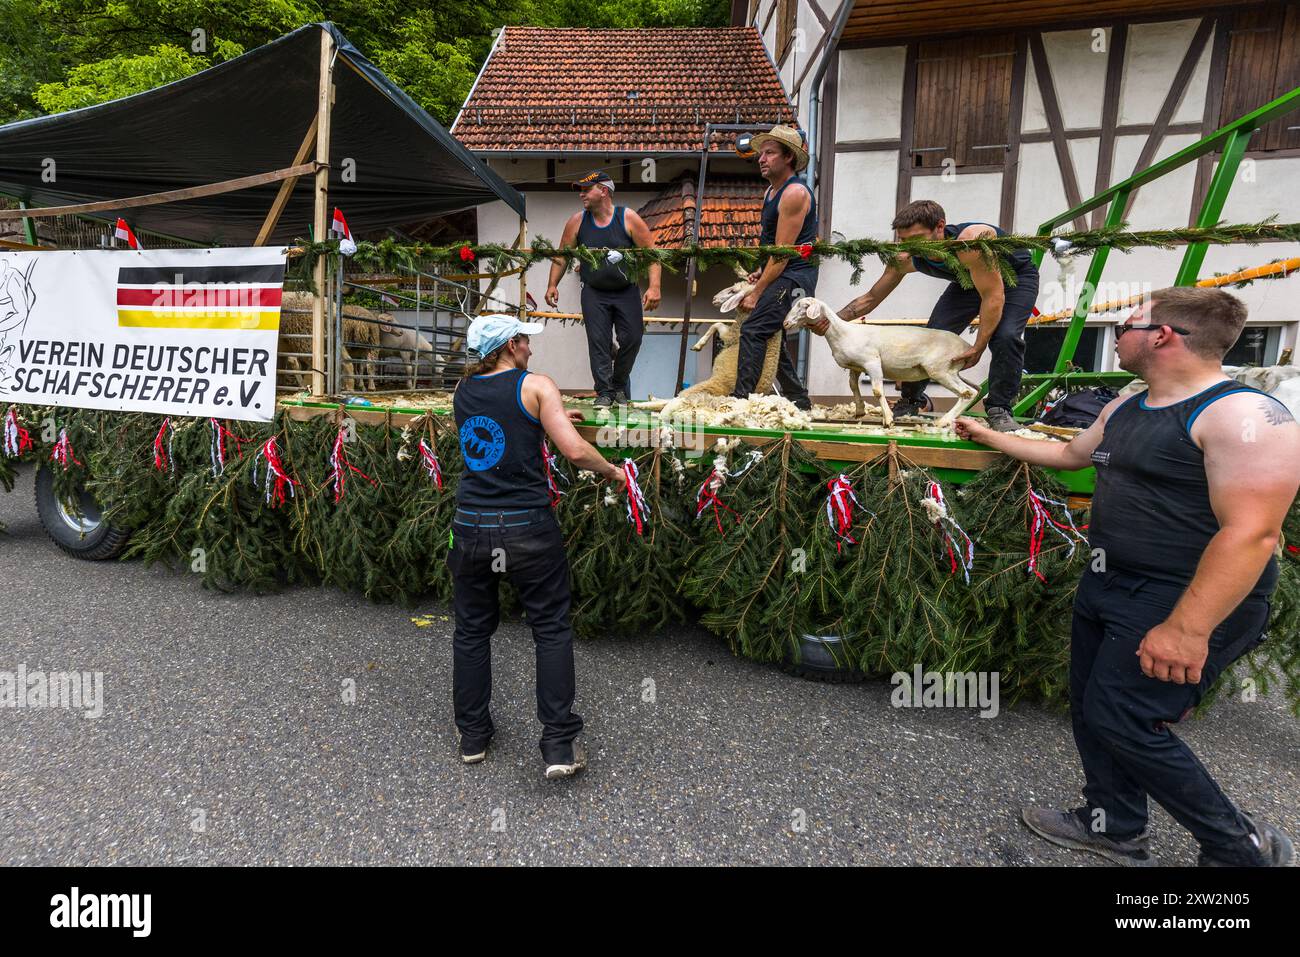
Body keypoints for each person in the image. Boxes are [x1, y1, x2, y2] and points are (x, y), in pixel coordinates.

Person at [955, 287, 1299, 866]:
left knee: (1127, 717)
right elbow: (1070, 457)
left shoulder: (1241, 416)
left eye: (1128, 321)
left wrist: (1188, 630)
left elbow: (1253, 535)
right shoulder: (1128, 405)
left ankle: (1241, 847)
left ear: (1163, 335)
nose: (1116, 331)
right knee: (1094, 708)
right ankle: (1114, 825)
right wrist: (989, 436)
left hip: (1184, 599)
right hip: (1110, 583)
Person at [449, 313, 628, 779]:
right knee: (549, 628)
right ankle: (558, 746)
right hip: (526, 529)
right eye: (524, 340)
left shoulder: (460, 391)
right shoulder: (536, 385)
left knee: (471, 632)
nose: (529, 347)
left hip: (469, 528)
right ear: (509, 346)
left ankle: (472, 737)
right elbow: (574, 452)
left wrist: (548, 419)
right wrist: (612, 471)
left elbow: (497, 433)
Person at [829, 200, 1039, 431]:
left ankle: (999, 408)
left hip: (1015, 281)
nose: (910, 247)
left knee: (1006, 337)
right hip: (967, 283)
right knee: (930, 335)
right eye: (904, 240)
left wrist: (978, 346)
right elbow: (871, 298)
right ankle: (911, 400)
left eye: (916, 239)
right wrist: (828, 319)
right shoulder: (906, 256)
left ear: (940, 226)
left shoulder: (970, 242)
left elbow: (993, 297)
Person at [545, 171, 661, 407]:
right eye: (581, 190)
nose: (581, 194)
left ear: (604, 191)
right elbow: (562, 256)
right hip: (594, 292)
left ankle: (618, 386)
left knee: (632, 338)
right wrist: (552, 284)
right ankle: (605, 392)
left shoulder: (627, 218)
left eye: (586, 190)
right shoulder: (577, 221)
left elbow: (652, 254)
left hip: (626, 291)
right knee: (598, 341)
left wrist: (655, 286)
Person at [732, 124, 815, 410]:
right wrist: (759, 271)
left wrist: (756, 292)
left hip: (794, 276)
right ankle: (798, 397)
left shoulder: (794, 193)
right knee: (769, 331)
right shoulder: (771, 192)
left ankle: (742, 399)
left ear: (788, 157)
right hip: (782, 271)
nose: (761, 158)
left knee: (754, 329)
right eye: (761, 154)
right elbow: (771, 246)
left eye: (769, 153)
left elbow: (781, 254)